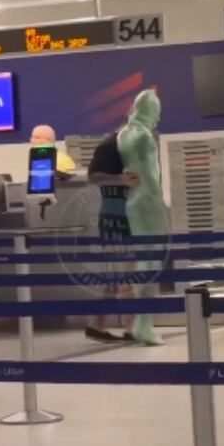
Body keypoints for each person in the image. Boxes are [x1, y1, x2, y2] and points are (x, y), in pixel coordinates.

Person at [118, 89, 168, 346]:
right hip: (147, 200)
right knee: (151, 265)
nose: (158, 117)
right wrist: (160, 205)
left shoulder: (123, 134)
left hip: (132, 200)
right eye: (156, 111)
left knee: (142, 262)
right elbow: (150, 175)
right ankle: (145, 325)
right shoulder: (145, 138)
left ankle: (141, 322)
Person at [85, 125, 140, 343]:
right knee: (126, 274)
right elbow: (94, 177)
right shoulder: (109, 147)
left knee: (114, 277)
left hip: (129, 214)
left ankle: (96, 325)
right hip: (116, 218)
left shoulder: (130, 149)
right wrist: (122, 181)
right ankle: (130, 329)